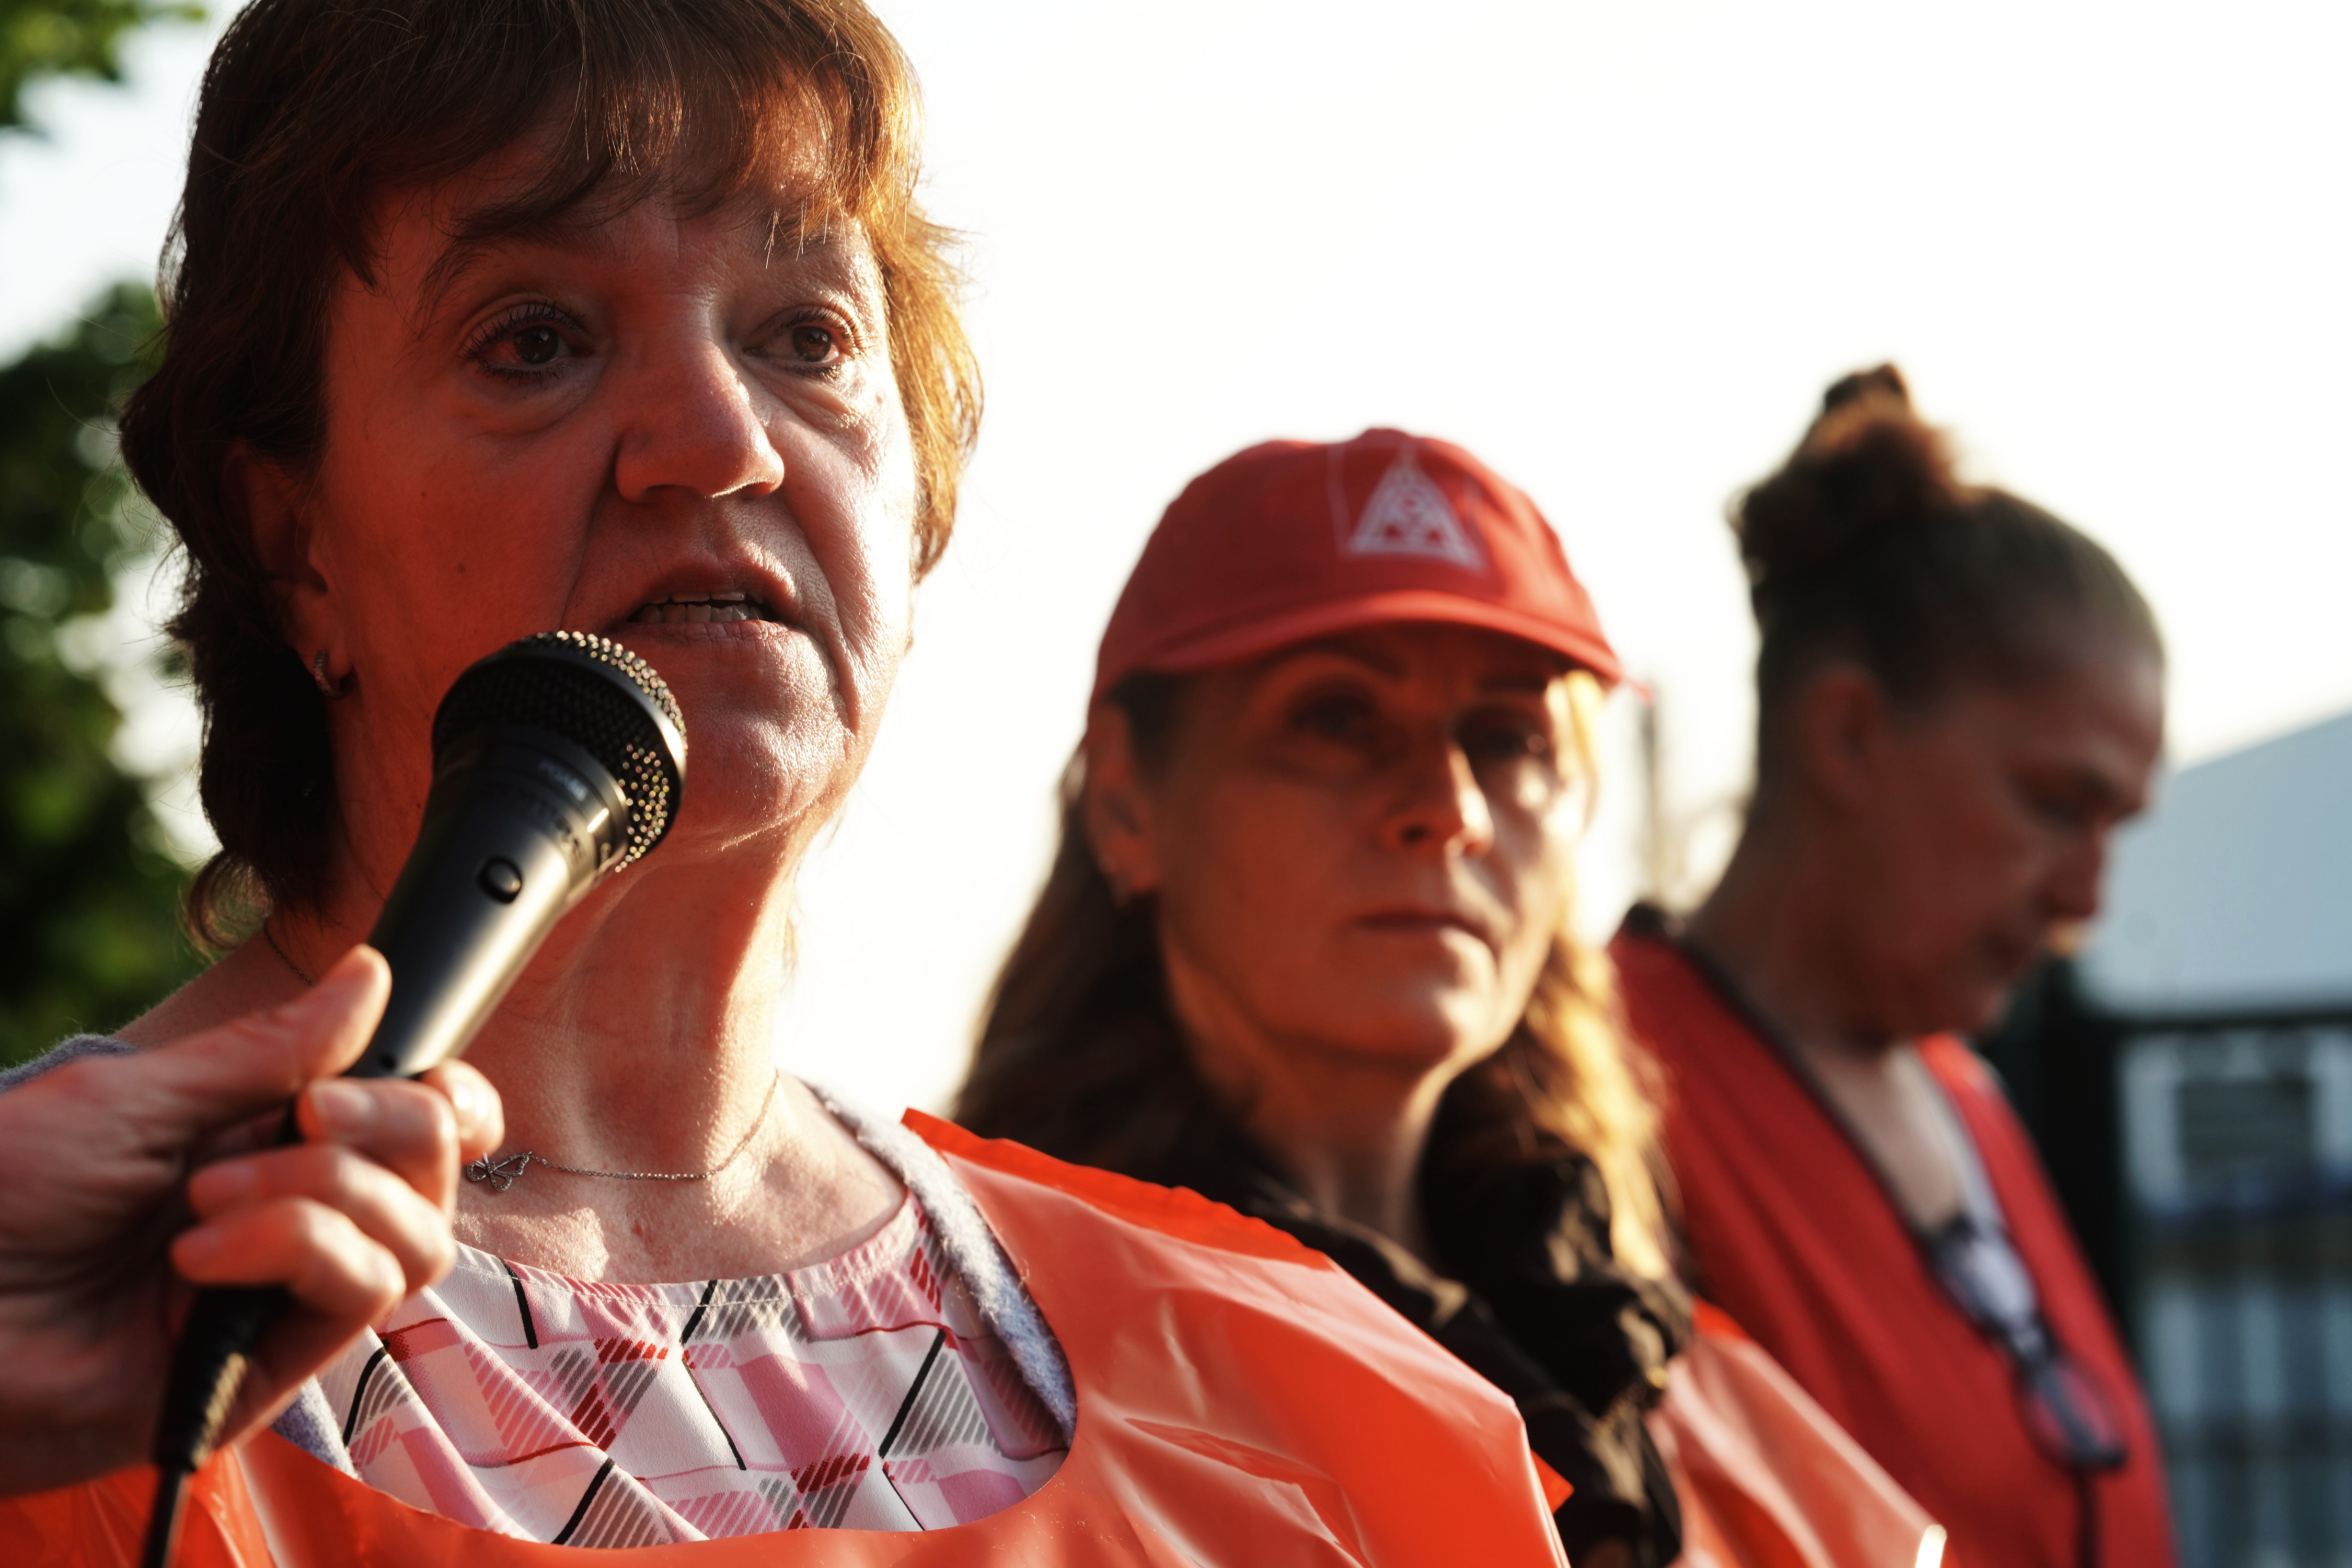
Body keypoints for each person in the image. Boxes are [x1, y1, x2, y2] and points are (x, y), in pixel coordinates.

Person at [0, 3, 1570, 1563]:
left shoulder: (1333, 1423)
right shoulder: (42, 1323)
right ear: (294, 544)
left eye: (805, 337)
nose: (717, 439)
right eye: (534, 340)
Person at [959, 429, 1932, 1568]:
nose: (1449, 806)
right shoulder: (967, 1368)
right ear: (1127, 798)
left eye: (1509, 737)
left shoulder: (1663, 1370)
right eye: (1336, 717)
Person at [1611, 367, 2175, 1567]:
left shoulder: (1963, 1093)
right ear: (1850, 734)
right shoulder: (1603, 1089)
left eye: (2114, 828)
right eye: (2054, 805)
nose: (2085, 899)